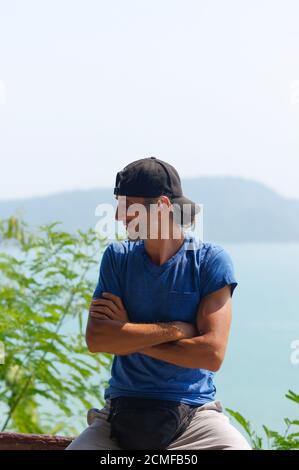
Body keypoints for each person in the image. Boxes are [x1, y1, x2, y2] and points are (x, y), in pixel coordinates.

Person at [66, 156, 251, 450]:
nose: (118, 216)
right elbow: (98, 338)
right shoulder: (117, 258)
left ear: (163, 206)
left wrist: (127, 334)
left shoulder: (209, 261)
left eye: (128, 206)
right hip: (121, 411)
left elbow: (211, 354)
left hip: (195, 416)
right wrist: (175, 330)